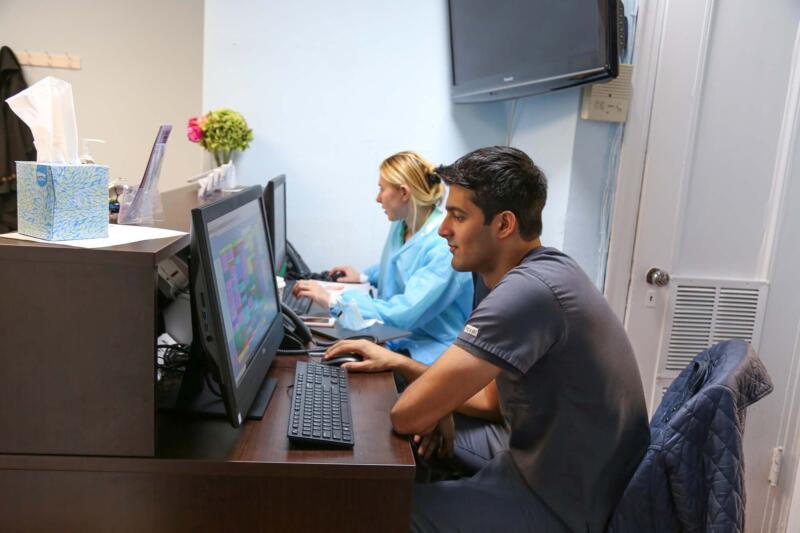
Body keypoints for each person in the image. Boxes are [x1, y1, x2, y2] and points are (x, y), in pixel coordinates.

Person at [325, 146, 649, 532]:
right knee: (406, 444)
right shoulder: (518, 272)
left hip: (565, 503)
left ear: (504, 224)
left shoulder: (527, 292)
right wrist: (408, 371)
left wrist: (434, 403)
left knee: (372, 511)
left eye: (458, 216)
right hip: (534, 458)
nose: (443, 229)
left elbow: (407, 414)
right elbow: (491, 401)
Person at [293, 151, 473, 365]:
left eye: (382, 189)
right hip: (396, 335)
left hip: (430, 349)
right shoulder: (402, 224)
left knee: (343, 368)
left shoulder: (444, 246)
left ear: (403, 193)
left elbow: (402, 314)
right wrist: (364, 277)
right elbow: (401, 266)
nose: (377, 198)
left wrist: (333, 300)